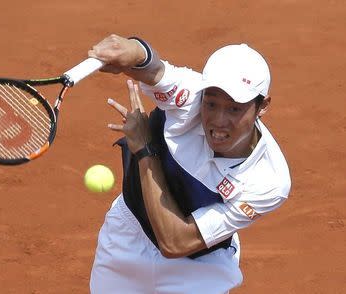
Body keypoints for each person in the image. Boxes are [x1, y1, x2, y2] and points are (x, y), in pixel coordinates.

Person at [87, 34, 291, 294]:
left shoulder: (269, 181)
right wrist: (132, 48)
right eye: (212, 103)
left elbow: (175, 242)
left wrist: (144, 150)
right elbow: (153, 67)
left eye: (234, 109)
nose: (218, 120)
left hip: (200, 269)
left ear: (262, 106)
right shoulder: (191, 96)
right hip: (128, 236)